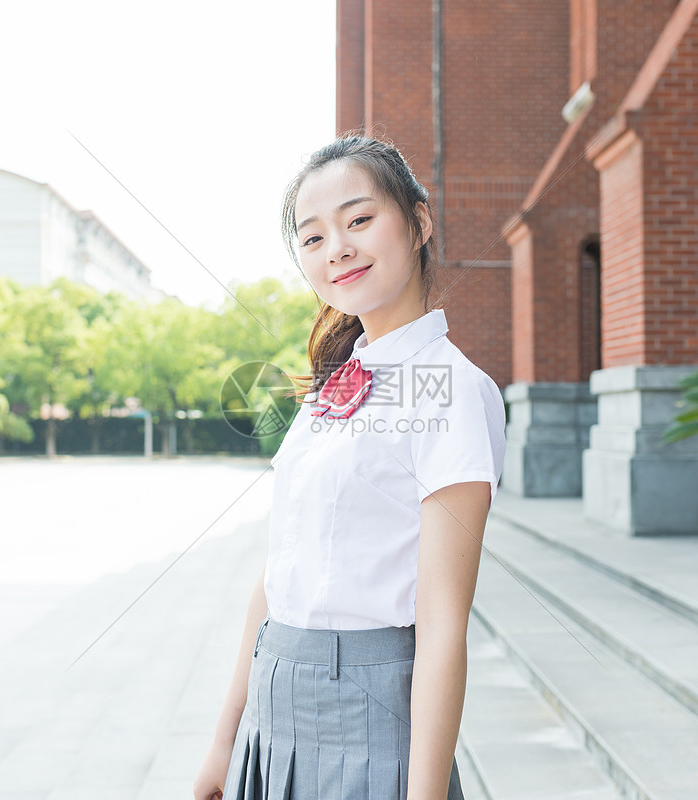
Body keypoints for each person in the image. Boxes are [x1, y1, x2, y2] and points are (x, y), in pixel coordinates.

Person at [193, 134, 506, 800]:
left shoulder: (451, 389)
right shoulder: (335, 386)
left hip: (366, 715)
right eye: (312, 238)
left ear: (419, 222)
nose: (336, 247)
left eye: (359, 220)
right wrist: (226, 740)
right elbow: (279, 571)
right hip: (276, 710)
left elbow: (444, 618)